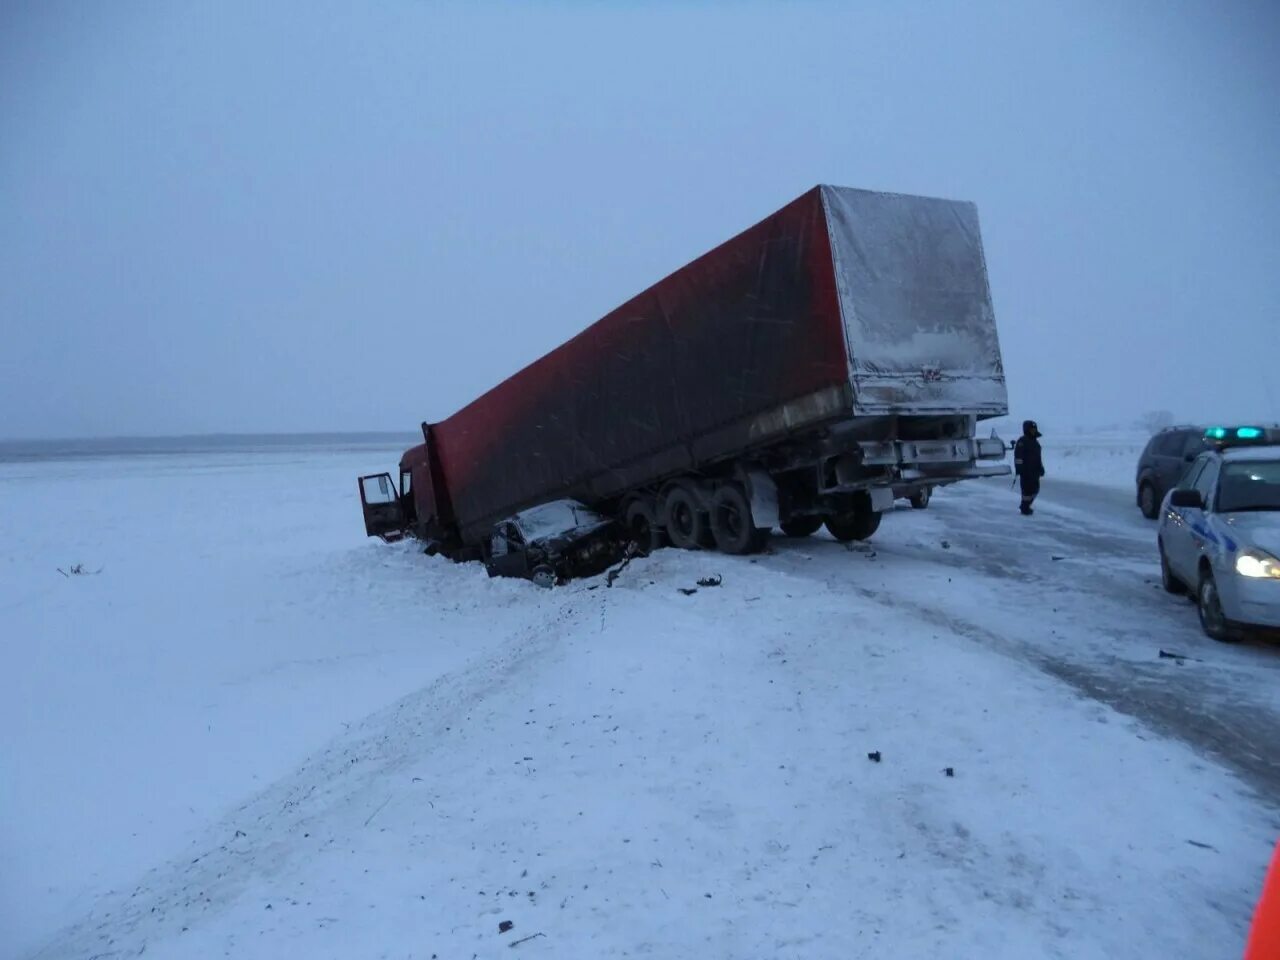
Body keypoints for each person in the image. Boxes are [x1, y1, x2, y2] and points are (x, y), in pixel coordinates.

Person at [1013, 420, 1044, 515]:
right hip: (1026, 472)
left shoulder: (1035, 443)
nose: (1033, 431)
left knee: (1036, 489)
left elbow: (1038, 457)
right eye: (1032, 429)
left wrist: (1041, 468)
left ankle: (1026, 505)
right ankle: (1025, 507)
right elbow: (1018, 457)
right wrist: (1019, 469)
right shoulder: (1022, 442)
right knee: (1027, 491)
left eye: (1034, 429)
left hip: (1035, 472)